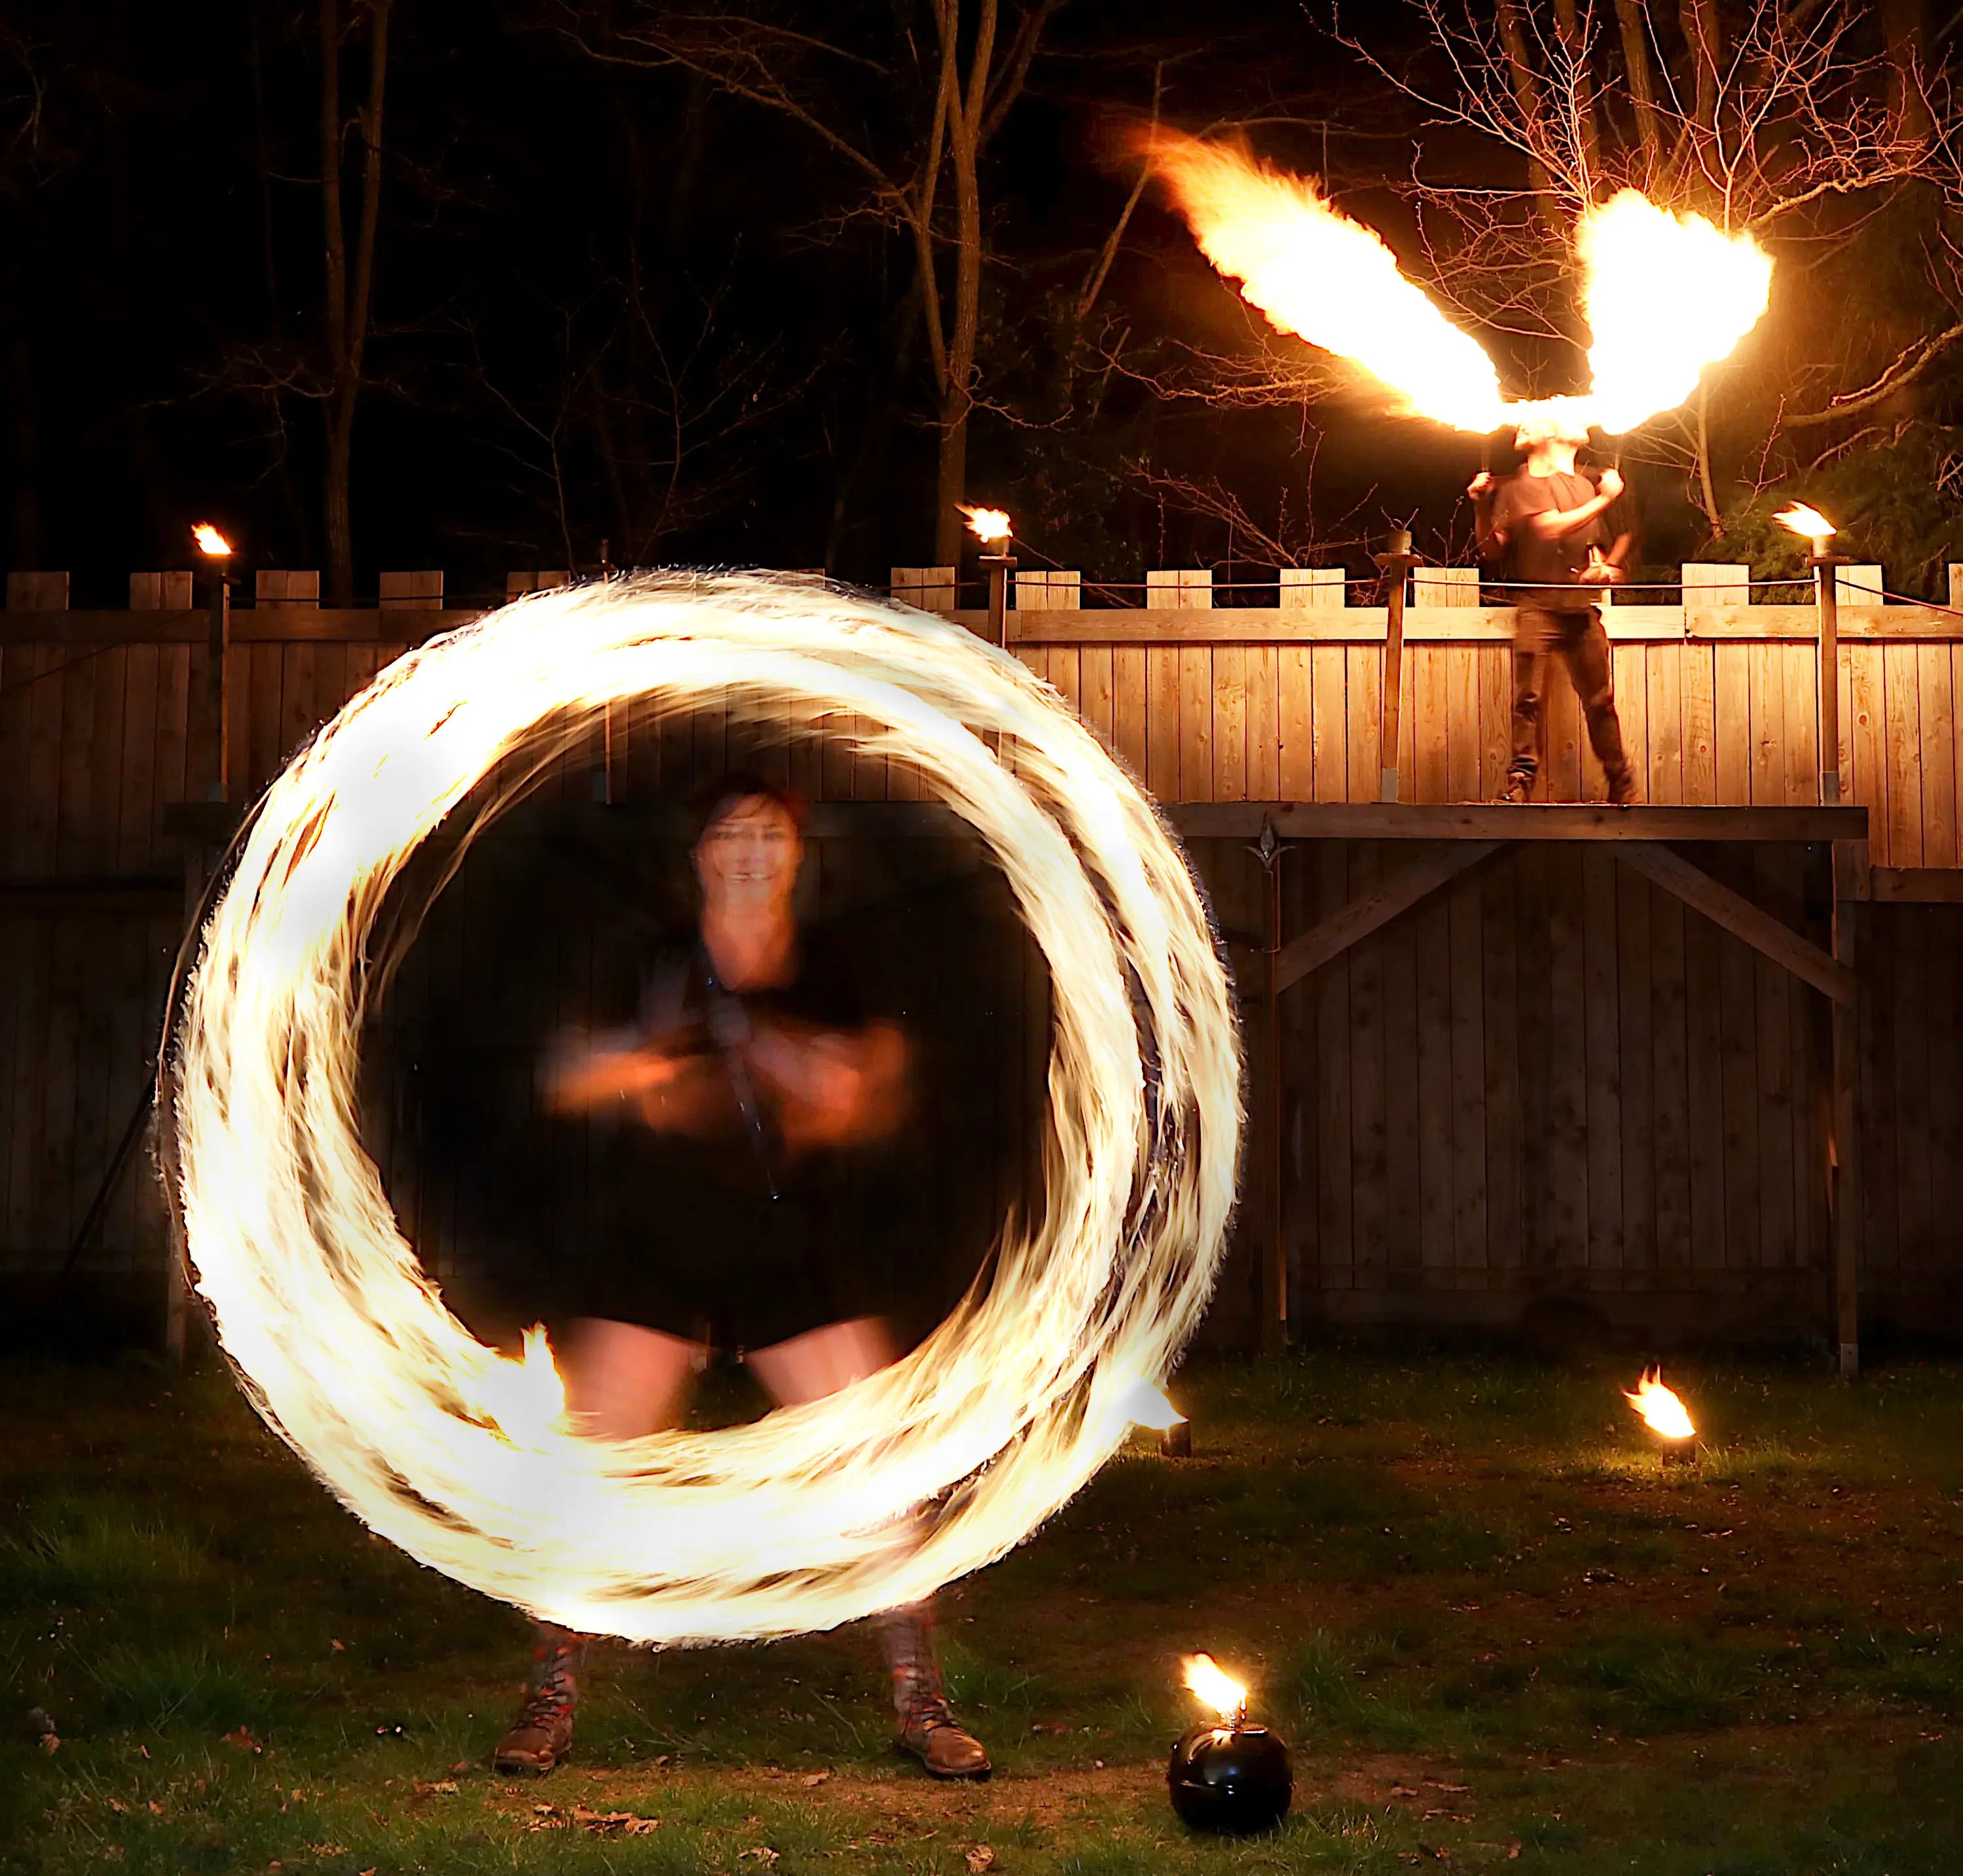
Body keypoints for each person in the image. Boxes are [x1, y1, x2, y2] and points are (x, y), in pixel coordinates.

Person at [491, 774, 991, 1782]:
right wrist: (651, 1057)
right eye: (730, 834)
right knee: (590, 1465)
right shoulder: (656, 962)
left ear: (795, 856)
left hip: (788, 1240)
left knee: (876, 1467)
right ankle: (549, 1702)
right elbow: (574, 1073)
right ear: (701, 855)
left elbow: (851, 1095)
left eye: (769, 834)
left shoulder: (825, 968)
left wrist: (758, 1039)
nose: (750, 850)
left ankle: (921, 1704)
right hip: (663, 1235)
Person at [1470, 417, 1638, 805]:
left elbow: (1591, 547)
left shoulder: (1582, 485)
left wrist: (1602, 569)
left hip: (1579, 611)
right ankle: (1520, 783)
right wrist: (1481, 508)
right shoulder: (1520, 486)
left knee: (1600, 701)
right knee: (1527, 700)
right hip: (1538, 608)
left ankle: (1622, 784)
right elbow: (1506, 544)